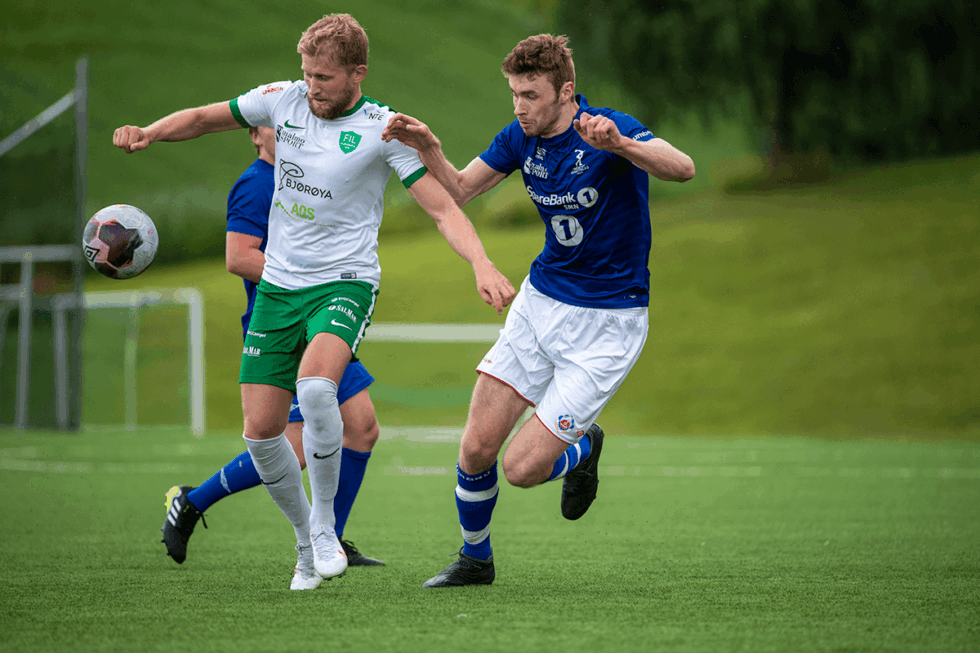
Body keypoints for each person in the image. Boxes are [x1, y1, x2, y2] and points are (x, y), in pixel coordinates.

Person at [115, 13, 515, 591]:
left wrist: (480, 262)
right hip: (279, 286)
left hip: (345, 282)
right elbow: (204, 119)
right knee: (262, 434)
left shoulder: (383, 129)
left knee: (318, 389)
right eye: (306, 73)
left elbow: (442, 208)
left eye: (324, 76)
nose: (312, 86)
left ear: (358, 72)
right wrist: (151, 132)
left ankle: (326, 528)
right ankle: (306, 545)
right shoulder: (283, 100)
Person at [382, 34, 695, 587]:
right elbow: (457, 189)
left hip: (608, 322)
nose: (520, 106)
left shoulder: (606, 127)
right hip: (541, 302)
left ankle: (583, 446)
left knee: (521, 469)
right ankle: (475, 558)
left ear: (566, 91)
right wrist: (427, 144)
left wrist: (622, 145)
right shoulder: (517, 137)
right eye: (514, 94)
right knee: (477, 446)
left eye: (531, 94)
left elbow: (682, 167)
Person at [160, 125, 384, 577]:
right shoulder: (257, 183)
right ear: (256, 136)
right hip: (283, 326)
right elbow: (238, 255)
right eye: (274, 126)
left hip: (319, 318)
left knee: (361, 427)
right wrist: (309, 277)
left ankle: (332, 538)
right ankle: (191, 501)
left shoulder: (300, 176)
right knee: (295, 448)